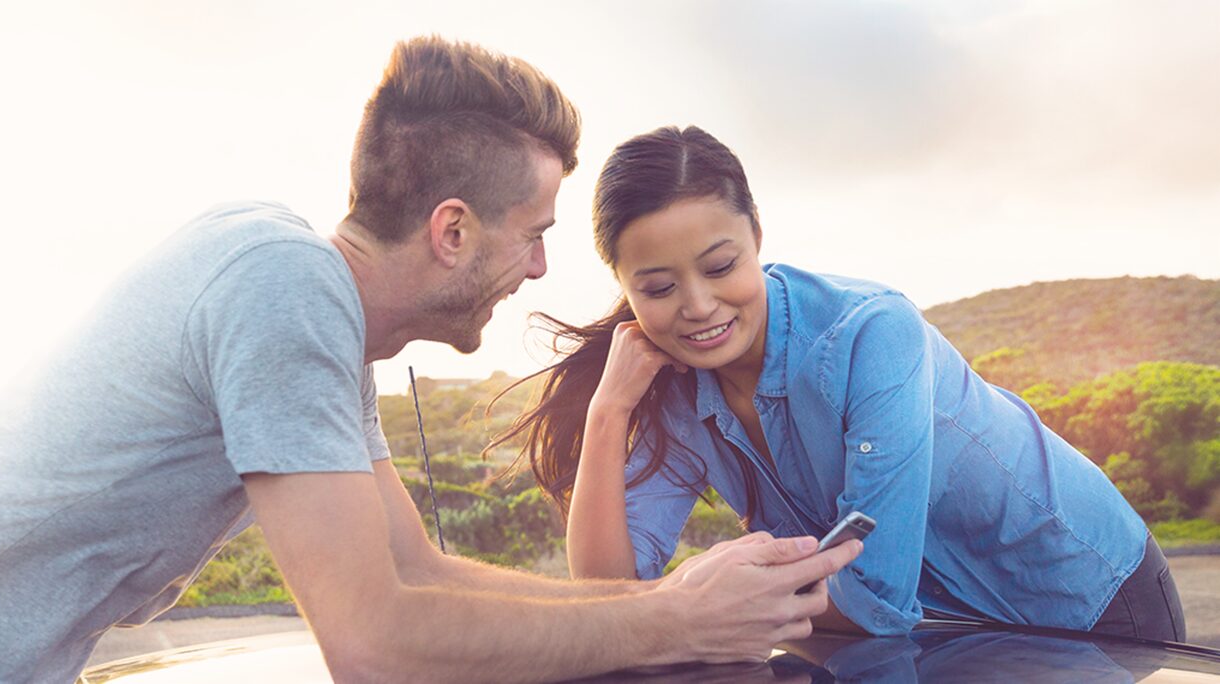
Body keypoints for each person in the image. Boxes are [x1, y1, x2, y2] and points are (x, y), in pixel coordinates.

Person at [0, 40, 861, 682]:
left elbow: (419, 574)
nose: (541, 267)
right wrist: (670, 624)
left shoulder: (306, 306)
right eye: (534, 235)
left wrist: (664, 601)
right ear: (453, 230)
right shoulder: (283, 288)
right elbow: (374, 647)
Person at [490, 125, 1187, 643]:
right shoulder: (668, 386)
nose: (698, 306)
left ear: (757, 236)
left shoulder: (871, 334)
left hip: (1088, 594)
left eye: (721, 265)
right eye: (660, 287)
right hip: (956, 633)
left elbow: (875, 596)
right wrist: (611, 409)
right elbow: (609, 592)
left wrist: (708, 602)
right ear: (624, 289)